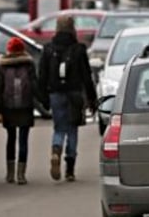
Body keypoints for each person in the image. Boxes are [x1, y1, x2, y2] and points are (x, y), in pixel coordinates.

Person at [38, 14, 97, 182]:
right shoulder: (79, 49)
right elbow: (87, 76)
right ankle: (70, 169)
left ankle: (56, 150)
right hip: (75, 94)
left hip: (55, 93)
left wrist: (43, 98)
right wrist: (92, 100)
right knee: (72, 130)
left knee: (59, 128)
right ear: (73, 28)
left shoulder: (48, 49)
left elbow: (42, 75)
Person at [0, 36, 40, 185]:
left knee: (11, 139)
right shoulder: (29, 64)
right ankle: (21, 175)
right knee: (23, 140)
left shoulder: (2, 66)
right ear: (22, 50)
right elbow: (34, 85)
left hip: (8, 107)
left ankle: (10, 174)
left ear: (9, 50)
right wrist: (43, 100)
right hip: (26, 107)